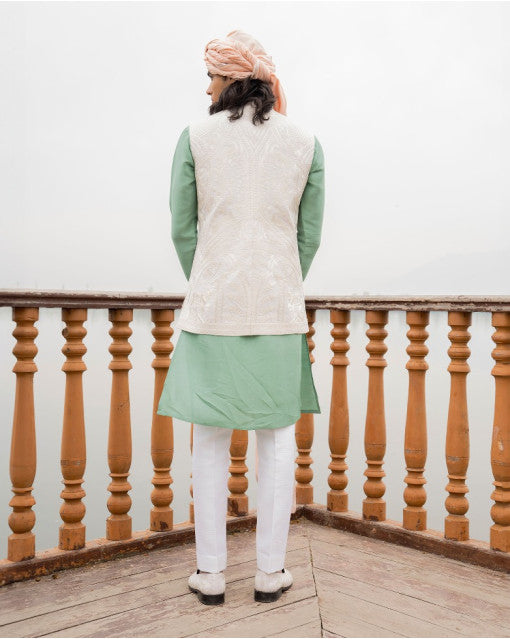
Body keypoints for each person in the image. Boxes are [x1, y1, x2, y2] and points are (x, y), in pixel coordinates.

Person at [157, 29, 325, 606]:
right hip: (278, 309)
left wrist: (209, 278)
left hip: (213, 310)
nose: (206, 87)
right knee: (277, 443)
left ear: (231, 78)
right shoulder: (306, 142)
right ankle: (269, 573)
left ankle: (210, 574)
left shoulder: (194, 137)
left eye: (211, 75)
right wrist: (279, 280)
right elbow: (308, 236)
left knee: (209, 440)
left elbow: (182, 228)